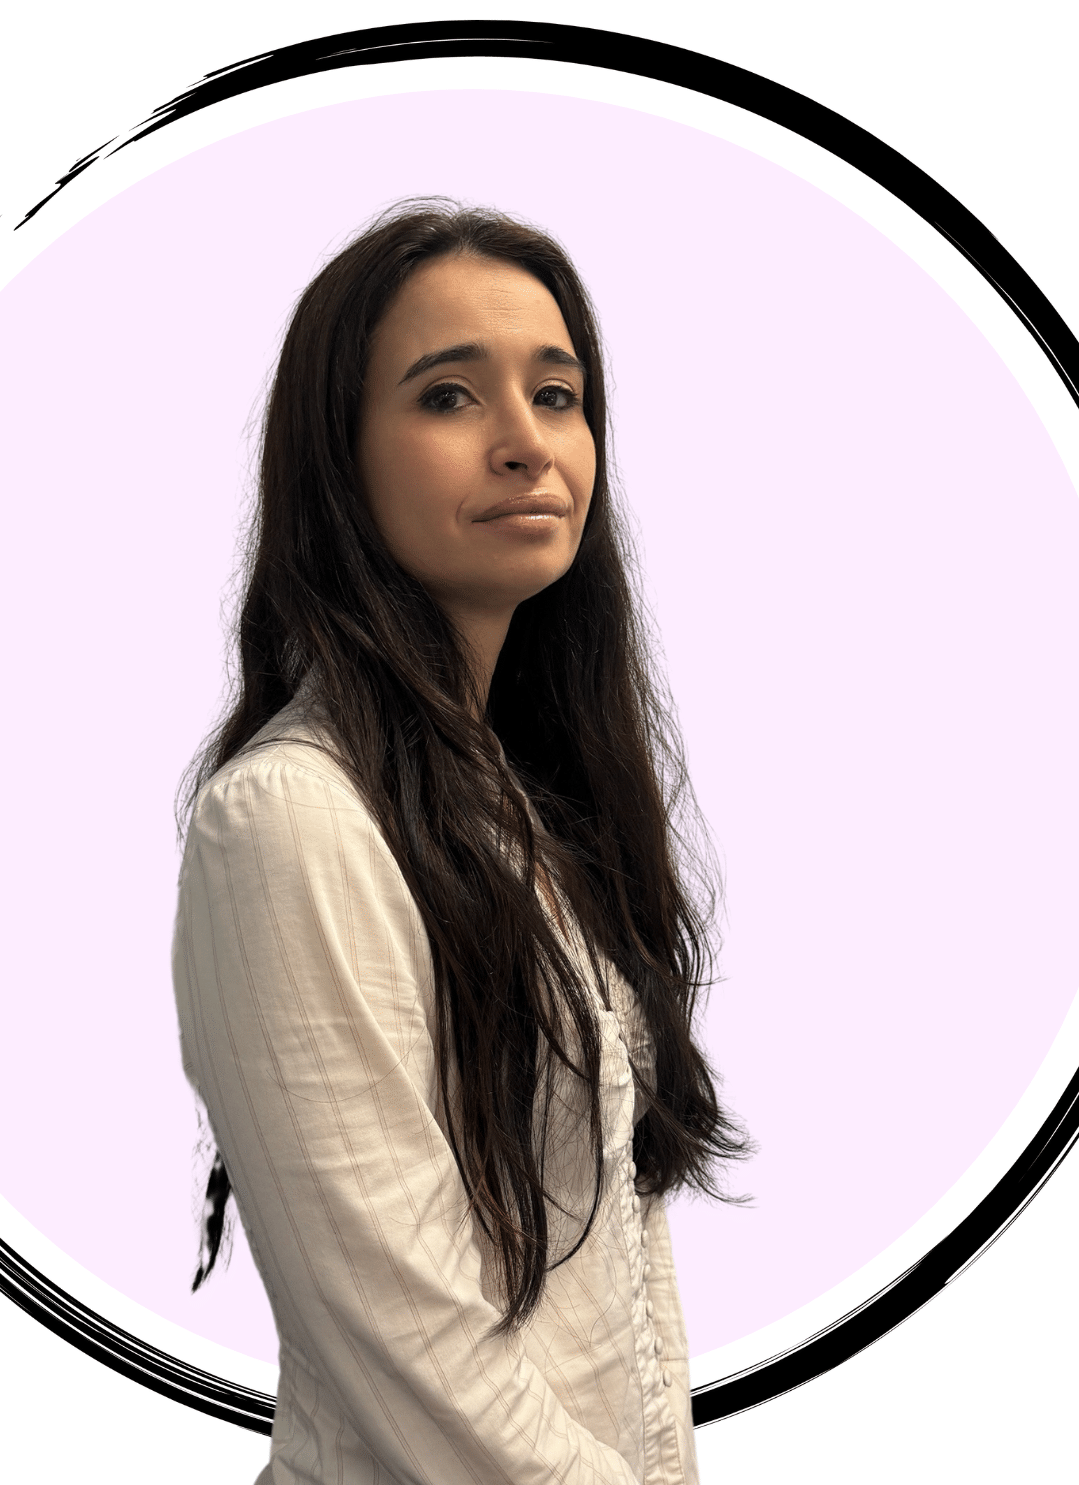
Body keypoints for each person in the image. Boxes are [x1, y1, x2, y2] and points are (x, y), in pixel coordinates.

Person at [172, 200, 748, 1485]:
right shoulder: (291, 822)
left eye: (557, 394)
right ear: (339, 459)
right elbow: (411, 1355)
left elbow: (619, 1303)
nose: (524, 444)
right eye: (448, 398)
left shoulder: (530, 808)